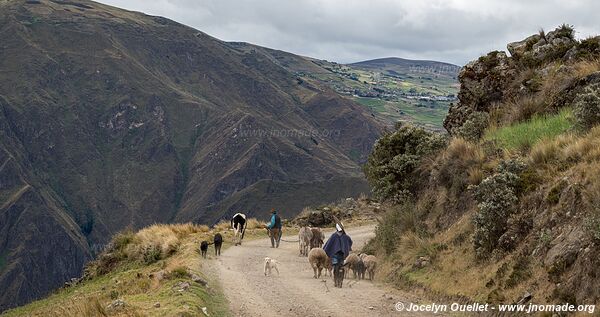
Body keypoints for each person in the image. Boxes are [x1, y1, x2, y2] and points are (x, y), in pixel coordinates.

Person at [323, 222, 352, 288]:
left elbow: (328, 244)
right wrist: (347, 248)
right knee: (340, 268)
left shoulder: (334, 236)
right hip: (342, 256)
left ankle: (337, 282)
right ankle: (339, 282)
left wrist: (326, 252)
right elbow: (350, 242)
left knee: (336, 268)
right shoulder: (345, 237)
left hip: (336, 255)